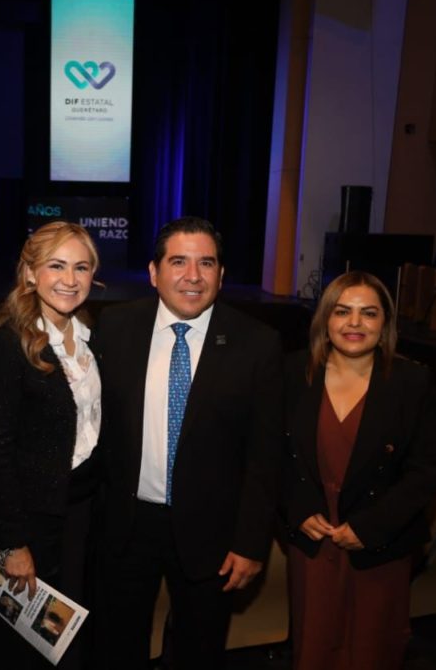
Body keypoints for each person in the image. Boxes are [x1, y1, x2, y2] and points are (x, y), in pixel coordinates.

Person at [92, 217, 284, 670]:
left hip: (213, 534)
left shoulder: (258, 344)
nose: (193, 276)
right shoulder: (114, 327)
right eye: (178, 262)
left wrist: (251, 542)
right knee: (116, 651)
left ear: (222, 274)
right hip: (126, 527)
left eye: (206, 263)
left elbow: (266, 455)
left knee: (200, 653)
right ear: (154, 272)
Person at [281, 271, 436, 670]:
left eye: (368, 313)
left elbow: (426, 469)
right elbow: (270, 454)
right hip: (313, 539)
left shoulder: (412, 381)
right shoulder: (291, 373)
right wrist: (297, 508)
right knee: (314, 645)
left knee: (373, 647)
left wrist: (370, 528)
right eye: (342, 311)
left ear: (385, 323)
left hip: (381, 542)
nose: (354, 323)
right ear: (325, 319)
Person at [0, 221, 102, 670]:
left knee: (64, 643)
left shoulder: (89, 336)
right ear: (30, 273)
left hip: (79, 515)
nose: (70, 279)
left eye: (81, 267)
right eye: (56, 266)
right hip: (29, 522)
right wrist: (12, 543)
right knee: (21, 648)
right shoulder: (5, 344)